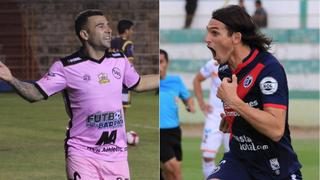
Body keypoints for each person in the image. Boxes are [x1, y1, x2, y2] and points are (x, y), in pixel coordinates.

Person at [0, 9, 158, 180]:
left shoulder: (119, 60)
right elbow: (35, 93)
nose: (108, 29)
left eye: (108, 25)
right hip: (82, 153)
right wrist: (11, 79)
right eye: (100, 26)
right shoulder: (66, 67)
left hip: (117, 156)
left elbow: (139, 83)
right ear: (85, 34)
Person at [205, 5, 302, 180]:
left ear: (236, 37)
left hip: (276, 166)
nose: (207, 39)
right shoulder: (224, 70)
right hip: (239, 160)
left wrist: (234, 103)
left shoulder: (268, 69)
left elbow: (275, 129)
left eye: (214, 33)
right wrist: (233, 118)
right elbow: (246, 106)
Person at [160, 49, 195, 180]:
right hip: (160, 133)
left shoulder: (176, 81)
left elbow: (187, 99)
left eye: (161, 62)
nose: (159, 65)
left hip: (174, 131)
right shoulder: (153, 82)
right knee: (174, 170)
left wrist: (189, 105)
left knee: (170, 173)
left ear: (167, 63)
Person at [193, 59, 230, 179]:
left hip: (233, 114)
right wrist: (202, 104)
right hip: (214, 115)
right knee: (207, 156)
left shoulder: (239, 63)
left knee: (232, 155)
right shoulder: (212, 64)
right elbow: (197, 80)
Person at [111, 19, 135, 130]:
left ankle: (111, 129)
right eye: (131, 29)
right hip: (123, 81)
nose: (132, 32)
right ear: (126, 31)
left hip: (111, 79)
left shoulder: (111, 42)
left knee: (112, 106)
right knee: (122, 107)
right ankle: (119, 131)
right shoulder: (128, 44)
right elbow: (129, 62)